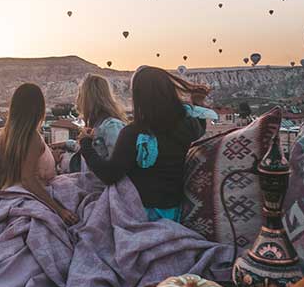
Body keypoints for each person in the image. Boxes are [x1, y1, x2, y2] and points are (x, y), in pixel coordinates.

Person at [79, 66, 210, 222]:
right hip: (173, 211)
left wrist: (86, 145)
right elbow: (200, 128)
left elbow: (110, 175)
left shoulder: (133, 133)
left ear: (138, 97)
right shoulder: (186, 127)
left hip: (142, 212)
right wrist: (198, 103)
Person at [0, 83, 79, 225]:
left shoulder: (12, 135)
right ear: (38, 109)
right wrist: (59, 210)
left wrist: (50, 158)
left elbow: (29, 162)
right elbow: (28, 179)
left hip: (17, 191)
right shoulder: (32, 137)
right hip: (33, 195)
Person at [75, 74, 127, 169]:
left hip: (105, 183)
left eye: (80, 94)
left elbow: (115, 169)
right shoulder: (95, 125)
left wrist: (85, 143)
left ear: (88, 98)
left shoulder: (112, 126)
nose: (77, 99)